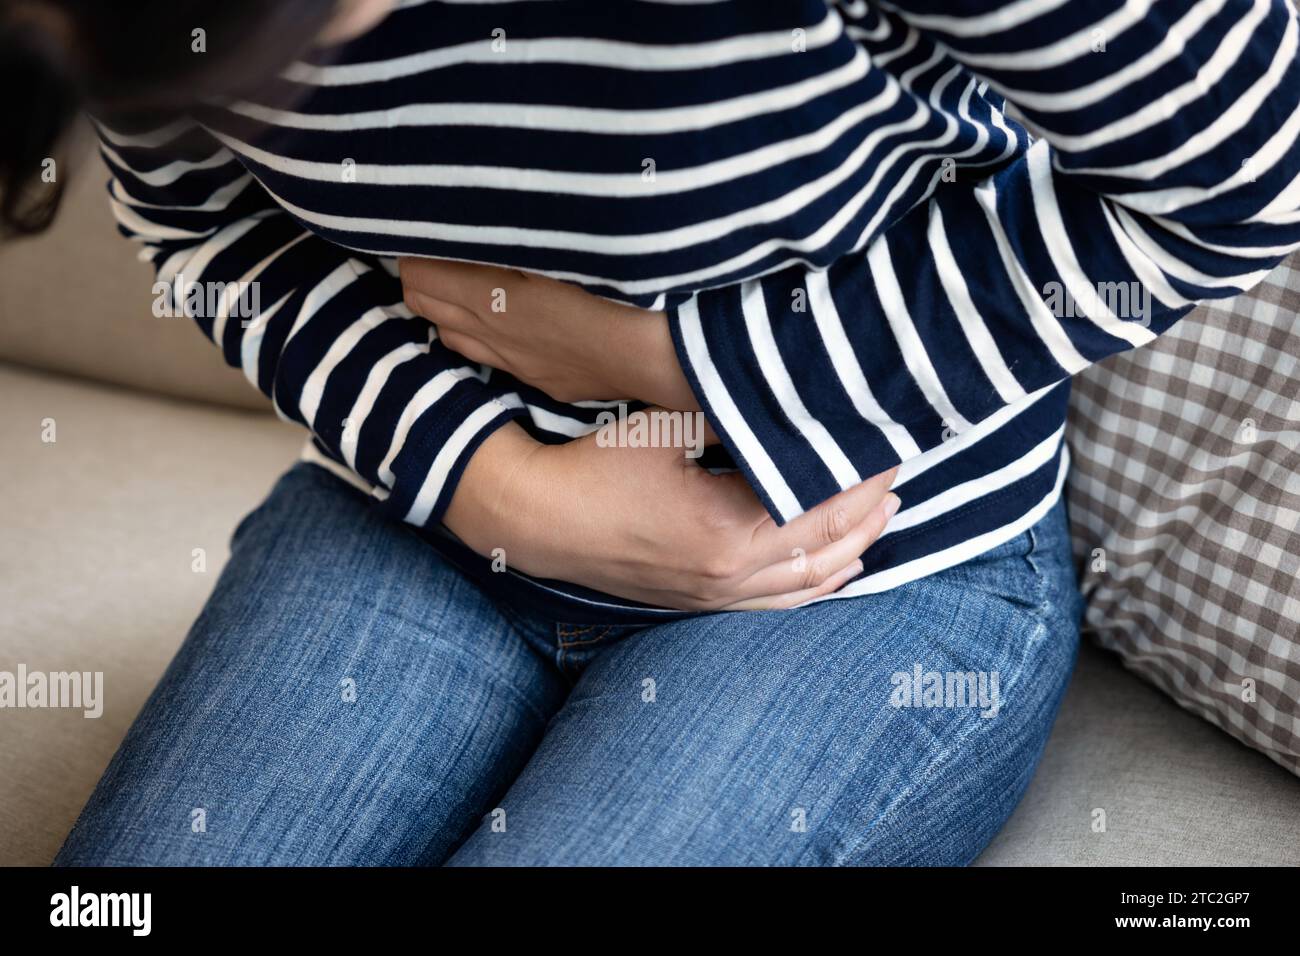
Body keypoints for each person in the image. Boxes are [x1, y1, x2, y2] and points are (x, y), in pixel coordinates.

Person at [1, 0, 1294, 864]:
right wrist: (494, 488)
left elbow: (1253, 169)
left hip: (872, 571)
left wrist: (694, 368)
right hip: (420, 518)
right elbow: (206, 227)